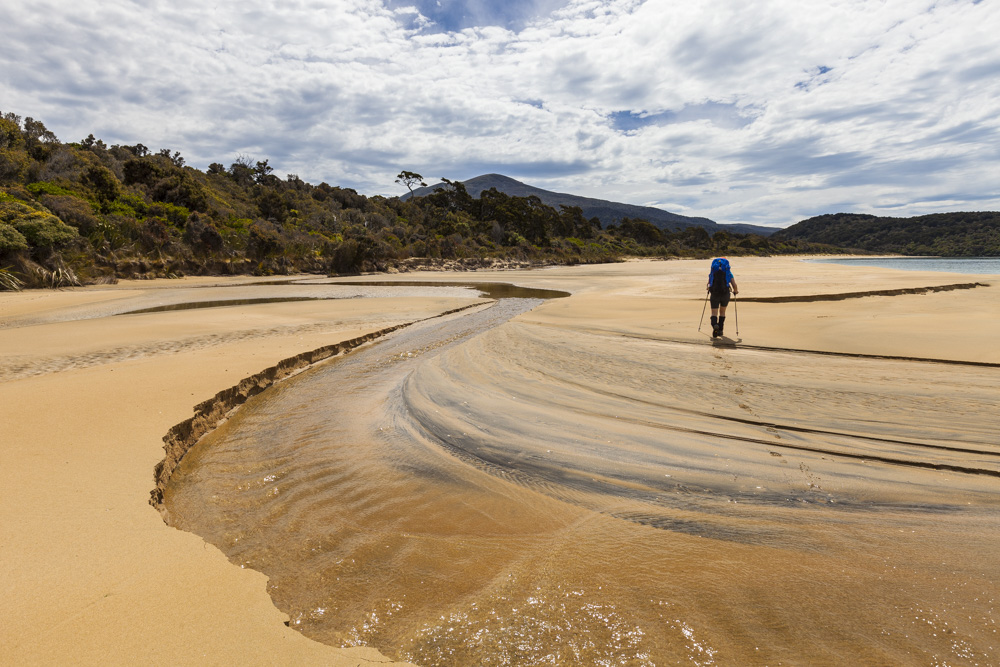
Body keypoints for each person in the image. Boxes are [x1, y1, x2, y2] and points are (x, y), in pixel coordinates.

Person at [706, 257, 738, 338]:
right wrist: (735, 291)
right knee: (722, 312)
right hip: (725, 293)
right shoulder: (728, 273)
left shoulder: (713, 272)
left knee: (714, 312)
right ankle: (720, 329)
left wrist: (709, 289)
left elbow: (708, 284)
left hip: (715, 294)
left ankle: (714, 325)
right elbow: (734, 285)